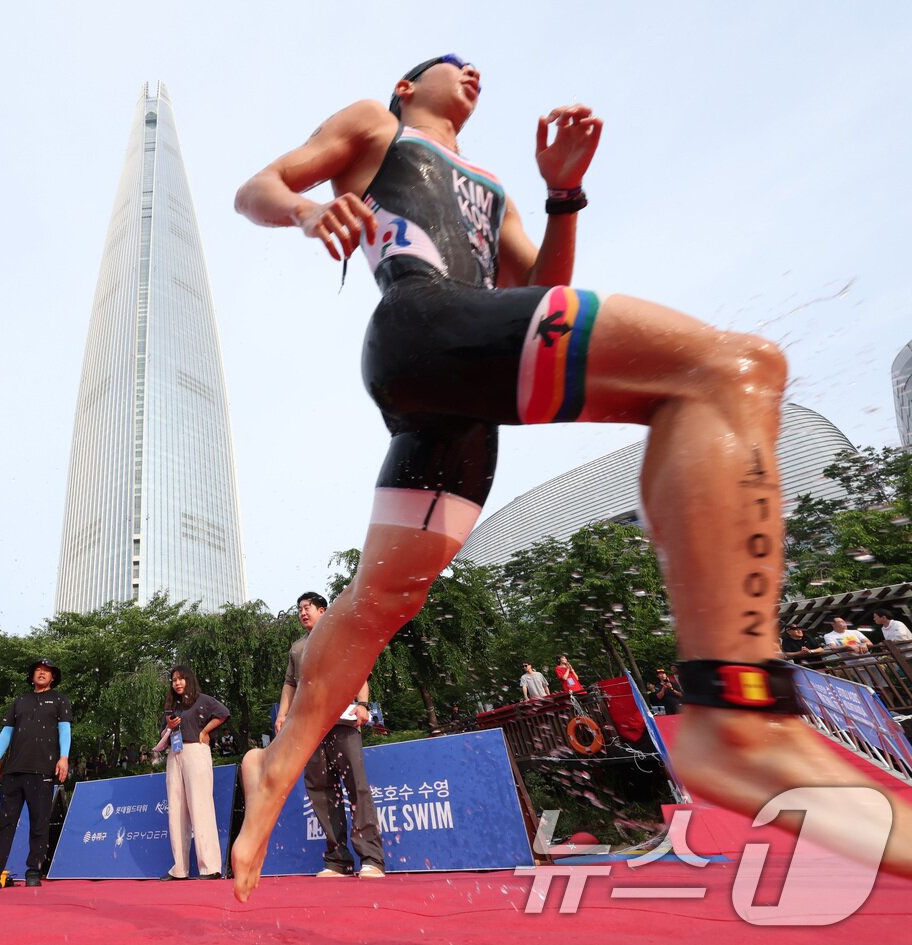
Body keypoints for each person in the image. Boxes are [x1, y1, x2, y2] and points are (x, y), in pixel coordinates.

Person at [227, 53, 912, 900]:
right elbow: (257, 188)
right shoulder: (378, 124)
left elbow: (541, 290)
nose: (472, 72)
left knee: (381, 601)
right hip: (424, 325)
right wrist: (305, 210)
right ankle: (737, 711)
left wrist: (563, 193)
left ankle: (277, 765)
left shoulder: (496, 190)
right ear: (409, 86)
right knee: (732, 370)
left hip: (465, 390)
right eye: (453, 64)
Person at [280, 593, 385, 879]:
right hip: (309, 727)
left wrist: (363, 705)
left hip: (343, 721)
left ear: (323, 611)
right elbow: (290, 683)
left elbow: (360, 671)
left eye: (308, 608)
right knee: (321, 790)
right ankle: (337, 860)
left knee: (356, 786)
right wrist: (282, 714)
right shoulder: (297, 648)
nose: (302, 613)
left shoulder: (342, 636)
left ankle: (371, 858)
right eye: (299, 609)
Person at [0, 658, 72, 890]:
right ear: (32, 675)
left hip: (43, 770)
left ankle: (33, 871)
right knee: (5, 823)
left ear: (53, 677)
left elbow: (65, 730)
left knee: (39, 823)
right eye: (38, 670)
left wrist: (63, 757)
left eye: (46, 671)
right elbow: (7, 731)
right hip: (13, 770)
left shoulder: (60, 700)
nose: (41, 673)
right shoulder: (20, 701)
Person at [157, 665, 230, 881]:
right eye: (174, 680)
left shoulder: (202, 700)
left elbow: (223, 713)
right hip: (174, 754)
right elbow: (162, 734)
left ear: (189, 680)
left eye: (181, 679)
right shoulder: (172, 706)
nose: (177, 683)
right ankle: (179, 868)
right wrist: (169, 726)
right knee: (176, 810)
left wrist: (205, 731)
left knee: (200, 806)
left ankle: (210, 867)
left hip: (195, 752)